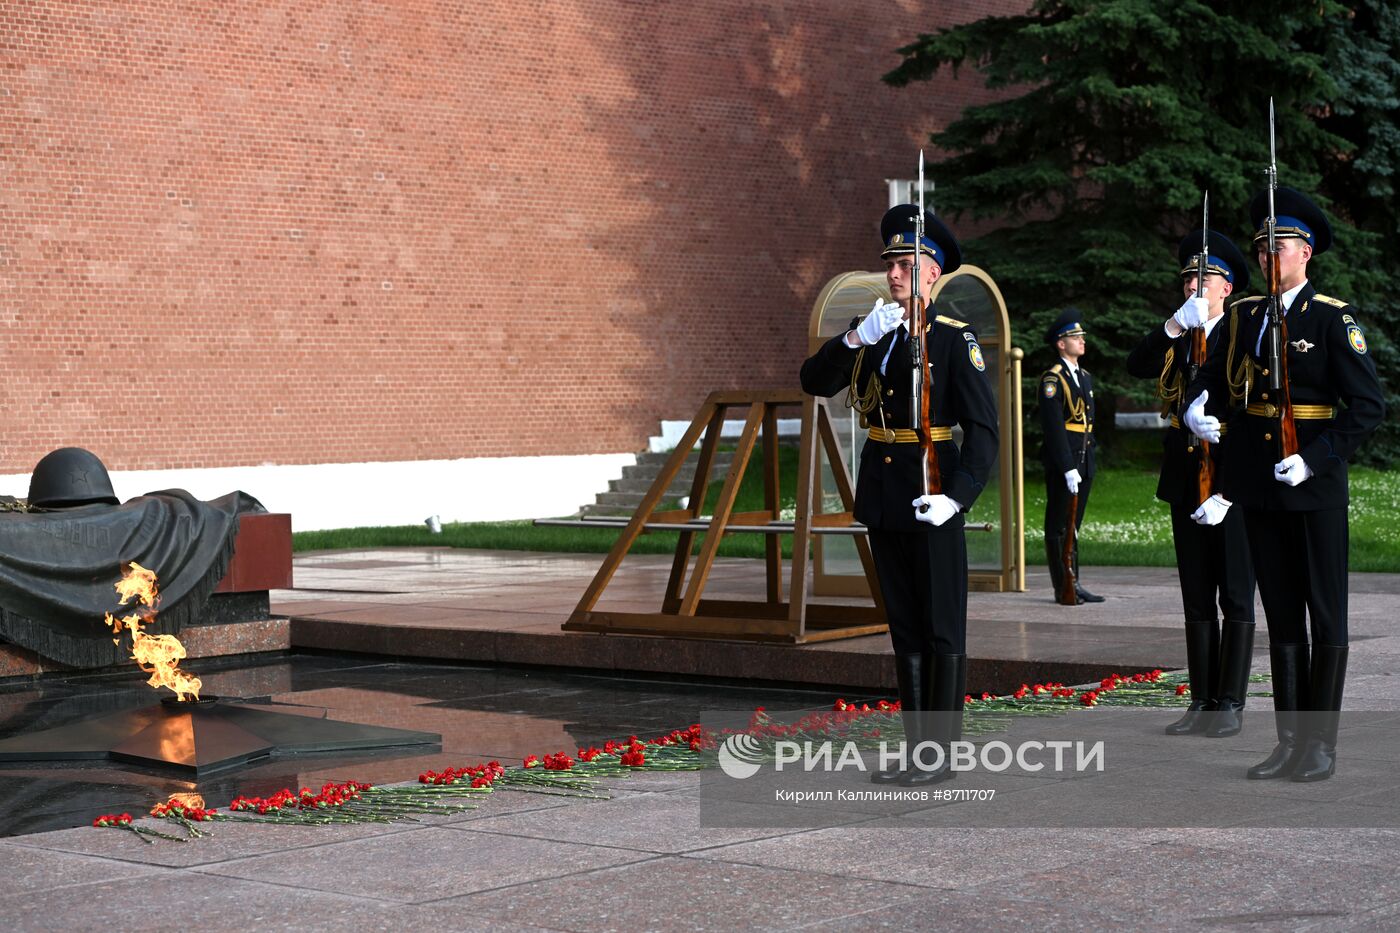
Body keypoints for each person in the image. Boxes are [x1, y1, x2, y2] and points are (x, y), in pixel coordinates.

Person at [1184, 187, 1385, 781]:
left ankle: (1320, 745)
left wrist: (1318, 458)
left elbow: (1367, 406)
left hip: (1312, 486)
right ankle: (1289, 740)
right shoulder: (1245, 314)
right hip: (1262, 486)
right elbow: (1216, 376)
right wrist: (1200, 406)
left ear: (1307, 254)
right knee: (1281, 616)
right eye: (1263, 247)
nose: (1271, 255)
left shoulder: (1330, 317)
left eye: (1283, 245)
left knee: (1324, 614)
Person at [800, 204, 998, 785]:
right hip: (886, 495)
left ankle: (942, 756)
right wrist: (854, 337)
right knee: (905, 628)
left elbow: (983, 431)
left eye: (907, 263)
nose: (894, 273)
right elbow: (814, 382)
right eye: (889, 263)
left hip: (934, 493)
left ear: (934, 272)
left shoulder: (954, 340)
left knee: (941, 628)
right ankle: (919, 752)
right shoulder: (875, 334)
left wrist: (958, 497)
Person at [1126, 230, 1256, 737]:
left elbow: (1256, 413)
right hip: (1184, 475)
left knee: (1236, 592)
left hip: (1232, 478)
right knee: (1196, 593)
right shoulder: (1181, 333)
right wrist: (1173, 327)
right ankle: (1201, 699)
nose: (1193, 287)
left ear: (1227, 288)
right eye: (1187, 280)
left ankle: (1231, 702)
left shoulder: (1243, 332)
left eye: (1204, 279)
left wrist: (1228, 488)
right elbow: (1138, 365)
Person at [1038, 310, 1103, 604]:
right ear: (1061, 344)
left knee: (1074, 525)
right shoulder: (1053, 379)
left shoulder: (1084, 377)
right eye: (1075, 337)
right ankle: (1061, 585)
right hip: (1065, 463)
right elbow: (1054, 428)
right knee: (1058, 525)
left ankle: (1074, 582)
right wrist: (1066, 467)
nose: (1081, 341)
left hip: (1084, 459)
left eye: (1081, 337)